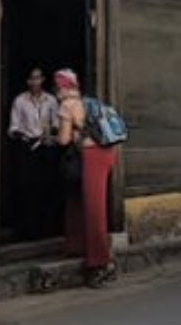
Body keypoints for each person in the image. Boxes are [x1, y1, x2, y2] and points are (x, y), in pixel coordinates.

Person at [55, 68, 119, 288]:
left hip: (92, 156)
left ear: (63, 87)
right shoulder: (89, 101)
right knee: (80, 202)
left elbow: (63, 140)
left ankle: (100, 264)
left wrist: (53, 133)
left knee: (94, 209)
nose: (57, 92)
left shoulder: (66, 105)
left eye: (57, 87)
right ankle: (79, 247)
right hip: (106, 154)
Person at [8, 68, 61, 240]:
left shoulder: (51, 100)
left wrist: (51, 132)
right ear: (27, 81)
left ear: (43, 80)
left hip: (46, 147)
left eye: (38, 78)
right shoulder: (20, 101)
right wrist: (22, 135)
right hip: (27, 148)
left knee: (47, 186)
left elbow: (57, 123)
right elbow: (13, 127)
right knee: (27, 188)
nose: (35, 82)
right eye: (32, 79)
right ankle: (29, 231)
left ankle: (47, 229)